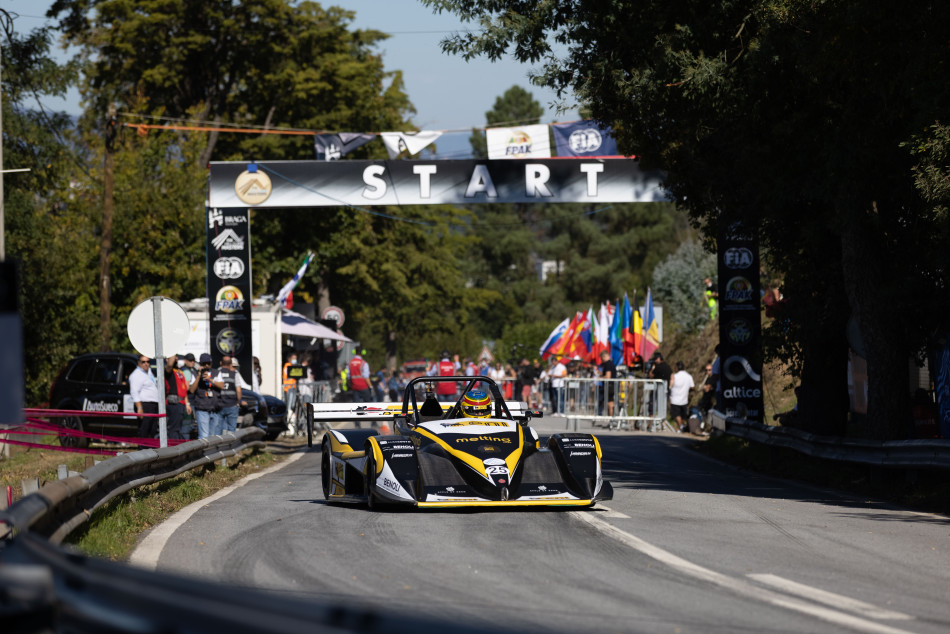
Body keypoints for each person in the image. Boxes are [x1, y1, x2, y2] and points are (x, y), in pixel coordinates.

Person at [130, 355, 160, 439]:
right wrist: (139, 408)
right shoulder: (136, 374)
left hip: (153, 405)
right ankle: (142, 447)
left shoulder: (148, 372)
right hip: (145, 405)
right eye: (143, 362)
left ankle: (149, 447)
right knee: (144, 430)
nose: (146, 364)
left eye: (148, 362)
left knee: (152, 430)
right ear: (138, 363)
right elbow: (134, 392)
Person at [212, 355, 242, 433]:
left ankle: (218, 440)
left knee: (218, 429)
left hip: (219, 405)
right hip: (232, 404)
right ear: (230, 364)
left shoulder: (216, 373)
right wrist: (239, 402)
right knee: (231, 429)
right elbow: (238, 391)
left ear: (221, 363)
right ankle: (230, 441)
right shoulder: (235, 374)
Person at [190, 353, 218, 439]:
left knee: (213, 436)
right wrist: (199, 376)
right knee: (204, 436)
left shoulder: (216, 372)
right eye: (204, 364)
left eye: (208, 363)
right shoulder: (195, 373)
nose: (206, 366)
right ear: (200, 364)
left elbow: (222, 386)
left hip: (214, 408)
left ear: (211, 363)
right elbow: (192, 390)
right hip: (202, 408)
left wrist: (210, 379)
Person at [163, 355, 190, 440]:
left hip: (181, 403)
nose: (176, 358)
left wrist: (187, 404)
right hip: (173, 403)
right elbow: (170, 364)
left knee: (178, 429)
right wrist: (172, 352)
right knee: (173, 429)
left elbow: (184, 389)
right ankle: (173, 446)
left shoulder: (179, 371)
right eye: (174, 357)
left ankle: (176, 444)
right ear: (167, 359)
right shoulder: (168, 370)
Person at [670, 361, 695, 432]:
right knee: (683, 415)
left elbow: (670, 386)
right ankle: (681, 427)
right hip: (684, 399)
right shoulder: (689, 376)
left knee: (676, 414)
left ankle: (681, 426)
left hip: (674, 399)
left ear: (677, 368)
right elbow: (692, 387)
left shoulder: (674, 376)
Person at [179, 353, 199, 439]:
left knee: (189, 426)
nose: (192, 362)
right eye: (190, 360)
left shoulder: (191, 370)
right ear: (185, 361)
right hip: (188, 402)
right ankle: (185, 443)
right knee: (186, 427)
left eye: (193, 360)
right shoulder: (186, 371)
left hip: (189, 401)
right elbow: (186, 388)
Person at [598, 350, 616, 417]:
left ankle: (610, 418)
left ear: (604, 357)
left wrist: (600, 377)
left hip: (609, 386)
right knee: (610, 402)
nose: (601, 360)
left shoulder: (607, 364)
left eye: (601, 358)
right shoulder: (611, 363)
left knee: (609, 404)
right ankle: (611, 418)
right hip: (612, 386)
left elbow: (608, 376)